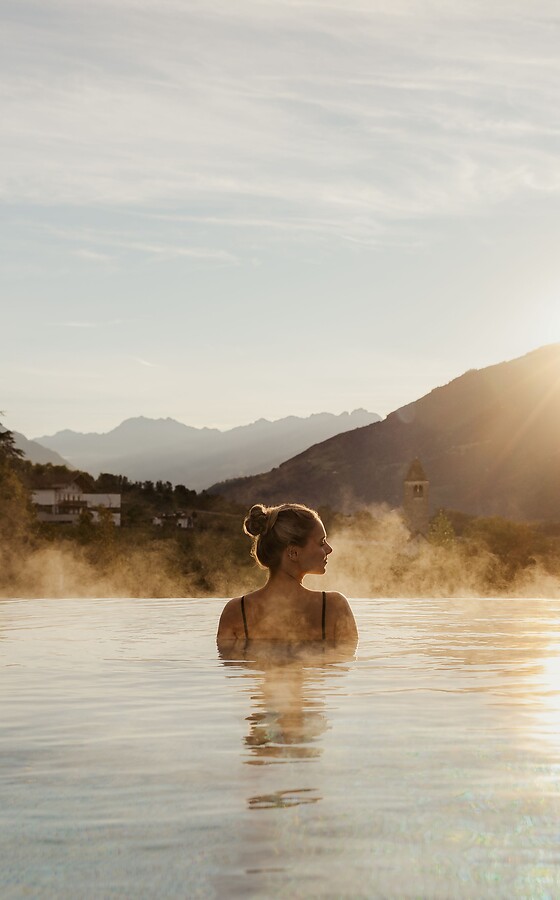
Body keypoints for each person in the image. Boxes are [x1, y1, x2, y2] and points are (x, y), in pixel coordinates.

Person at [217, 502, 358, 645]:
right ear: (293, 552)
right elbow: (346, 656)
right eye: (321, 542)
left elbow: (227, 657)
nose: (329, 549)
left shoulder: (236, 611)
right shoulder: (334, 607)